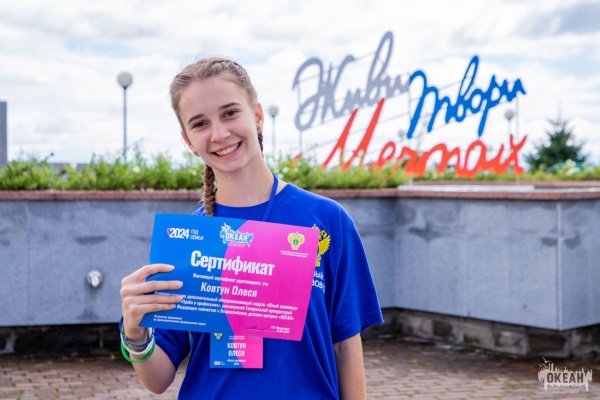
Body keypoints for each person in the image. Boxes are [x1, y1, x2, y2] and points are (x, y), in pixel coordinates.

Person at [119, 57, 383, 399]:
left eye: (230, 113)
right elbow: (157, 380)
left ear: (257, 116)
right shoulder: (189, 241)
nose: (219, 134)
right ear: (188, 141)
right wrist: (135, 334)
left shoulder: (326, 221)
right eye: (200, 123)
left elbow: (345, 344)